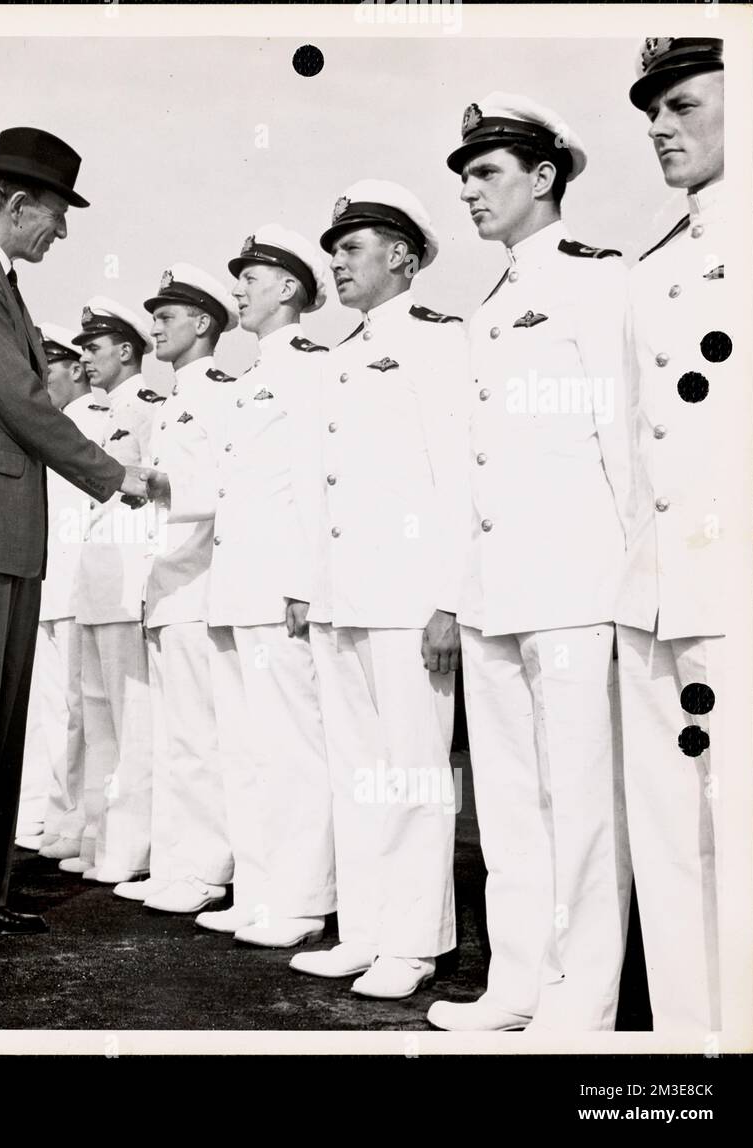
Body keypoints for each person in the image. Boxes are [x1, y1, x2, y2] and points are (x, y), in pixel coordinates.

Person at [0, 126, 147, 959]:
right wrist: (115, 473)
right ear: (16, 204)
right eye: (55, 214)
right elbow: (20, 398)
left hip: (2, 528)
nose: (62, 232)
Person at [427, 93, 633, 1032]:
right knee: (509, 807)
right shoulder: (492, 303)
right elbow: (474, 465)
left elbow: (624, 443)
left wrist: (637, 584)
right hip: (495, 590)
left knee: (580, 799)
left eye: (487, 174)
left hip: (574, 584)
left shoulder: (599, 282)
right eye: (465, 176)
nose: (470, 191)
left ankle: (581, 1003)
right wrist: (456, 589)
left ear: (545, 178)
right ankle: (516, 986)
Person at [288, 183, 466, 999]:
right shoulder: (340, 355)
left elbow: (461, 475)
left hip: (406, 597)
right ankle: (364, 928)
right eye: (335, 247)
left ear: (402, 255)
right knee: (359, 774)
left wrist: (452, 596)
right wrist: (306, 587)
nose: (337, 261)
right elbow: (321, 484)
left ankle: (415, 941)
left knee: (414, 772)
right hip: (343, 597)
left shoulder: (439, 344)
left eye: (352, 247)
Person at [617, 37, 732, 1039]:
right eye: (650, 109)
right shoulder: (655, 260)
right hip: (654, 587)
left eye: (683, 104)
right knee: (668, 835)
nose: (660, 127)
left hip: (733, 585)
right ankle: (690, 1035)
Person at [195, 225, 334, 948]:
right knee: (246, 751)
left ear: (287, 288)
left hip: (279, 590)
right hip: (237, 588)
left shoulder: (311, 367)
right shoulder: (250, 377)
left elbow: (317, 480)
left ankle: (303, 899)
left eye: (250, 278)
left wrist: (305, 581)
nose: (238, 291)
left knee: (291, 751)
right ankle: (258, 890)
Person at [131, 263, 238, 914]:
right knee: (173, 740)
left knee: (200, 740)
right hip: (168, 586)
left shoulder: (221, 392)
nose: (154, 329)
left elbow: (228, 484)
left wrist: (168, 489)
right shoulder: (173, 401)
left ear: (202, 323)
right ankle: (174, 865)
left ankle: (205, 869)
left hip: (200, 585)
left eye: (166, 317)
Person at [70, 297, 163, 886]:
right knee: (99, 718)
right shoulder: (96, 413)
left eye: (95, 348)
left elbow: (157, 500)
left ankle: (133, 849)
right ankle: (100, 837)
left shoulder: (151, 409)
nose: (86, 359)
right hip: (95, 584)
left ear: (126, 351)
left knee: (136, 724)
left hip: (130, 582)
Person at [17, 323, 101, 853]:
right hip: (53, 587)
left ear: (75, 368)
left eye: (49, 368)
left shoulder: (95, 420)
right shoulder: (52, 424)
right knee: (51, 712)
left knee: (78, 714)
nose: (42, 379)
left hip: (82, 588)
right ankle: (57, 815)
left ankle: (77, 824)